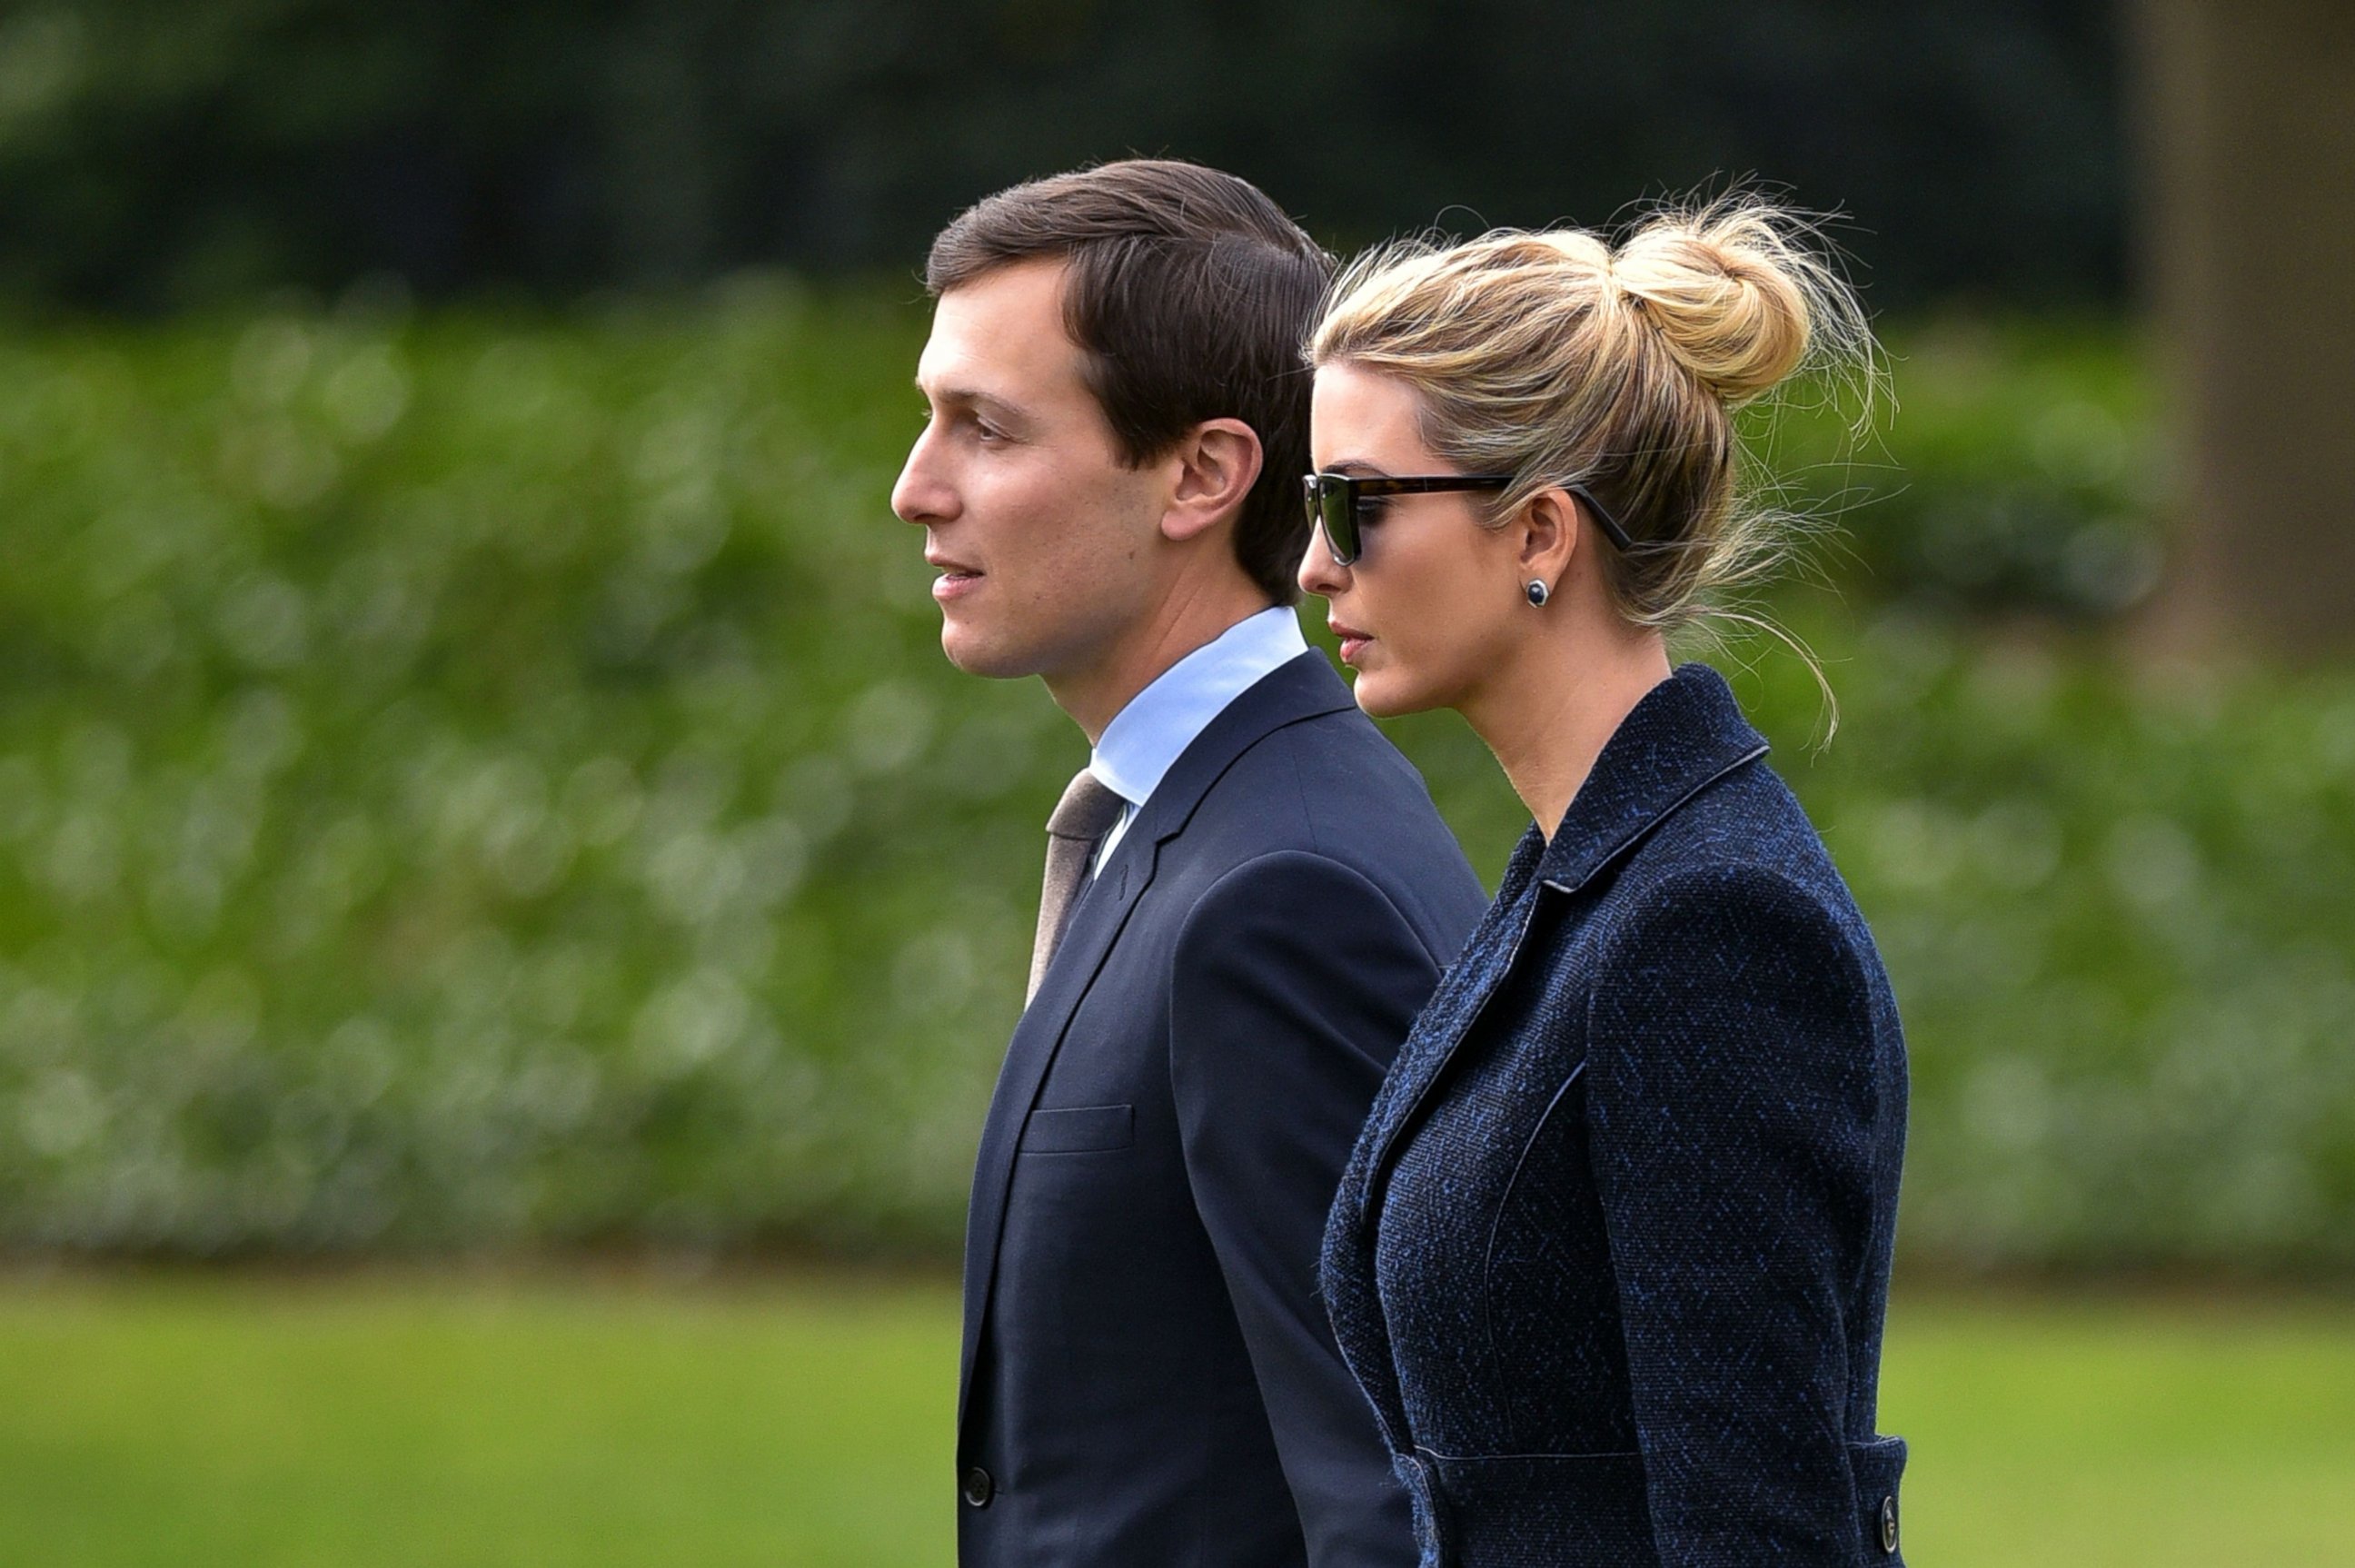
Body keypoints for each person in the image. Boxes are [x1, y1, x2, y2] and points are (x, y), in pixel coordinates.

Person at [891, 159, 1487, 1568]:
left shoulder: (1285, 895)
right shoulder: (1199, 824)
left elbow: (1395, 1505)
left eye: (985, 429)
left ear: (1204, 474)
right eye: (929, 421)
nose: (918, 488)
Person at [1300, 199, 1912, 1567]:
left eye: (1357, 504)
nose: (1314, 562)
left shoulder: (1710, 924)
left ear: (1537, 535)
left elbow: (1758, 1526)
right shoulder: (1589, 881)